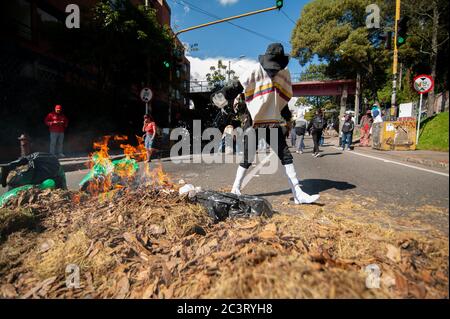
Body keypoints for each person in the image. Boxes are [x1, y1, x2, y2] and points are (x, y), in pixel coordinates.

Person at [227, 43, 319, 204]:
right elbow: (237, 86)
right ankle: (235, 188)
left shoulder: (284, 73)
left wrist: (287, 119)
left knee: (286, 156)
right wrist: (223, 93)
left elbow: (281, 99)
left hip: (272, 121)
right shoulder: (255, 70)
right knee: (248, 157)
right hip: (254, 121)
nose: (273, 70)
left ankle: (297, 193)